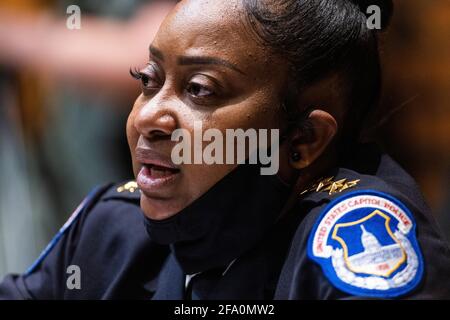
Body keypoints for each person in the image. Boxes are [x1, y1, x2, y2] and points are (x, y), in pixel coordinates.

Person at [1, 0, 450, 300]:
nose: (147, 119)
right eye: (148, 80)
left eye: (199, 89)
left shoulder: (355, 241)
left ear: (302, 141)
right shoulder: (111, 230)